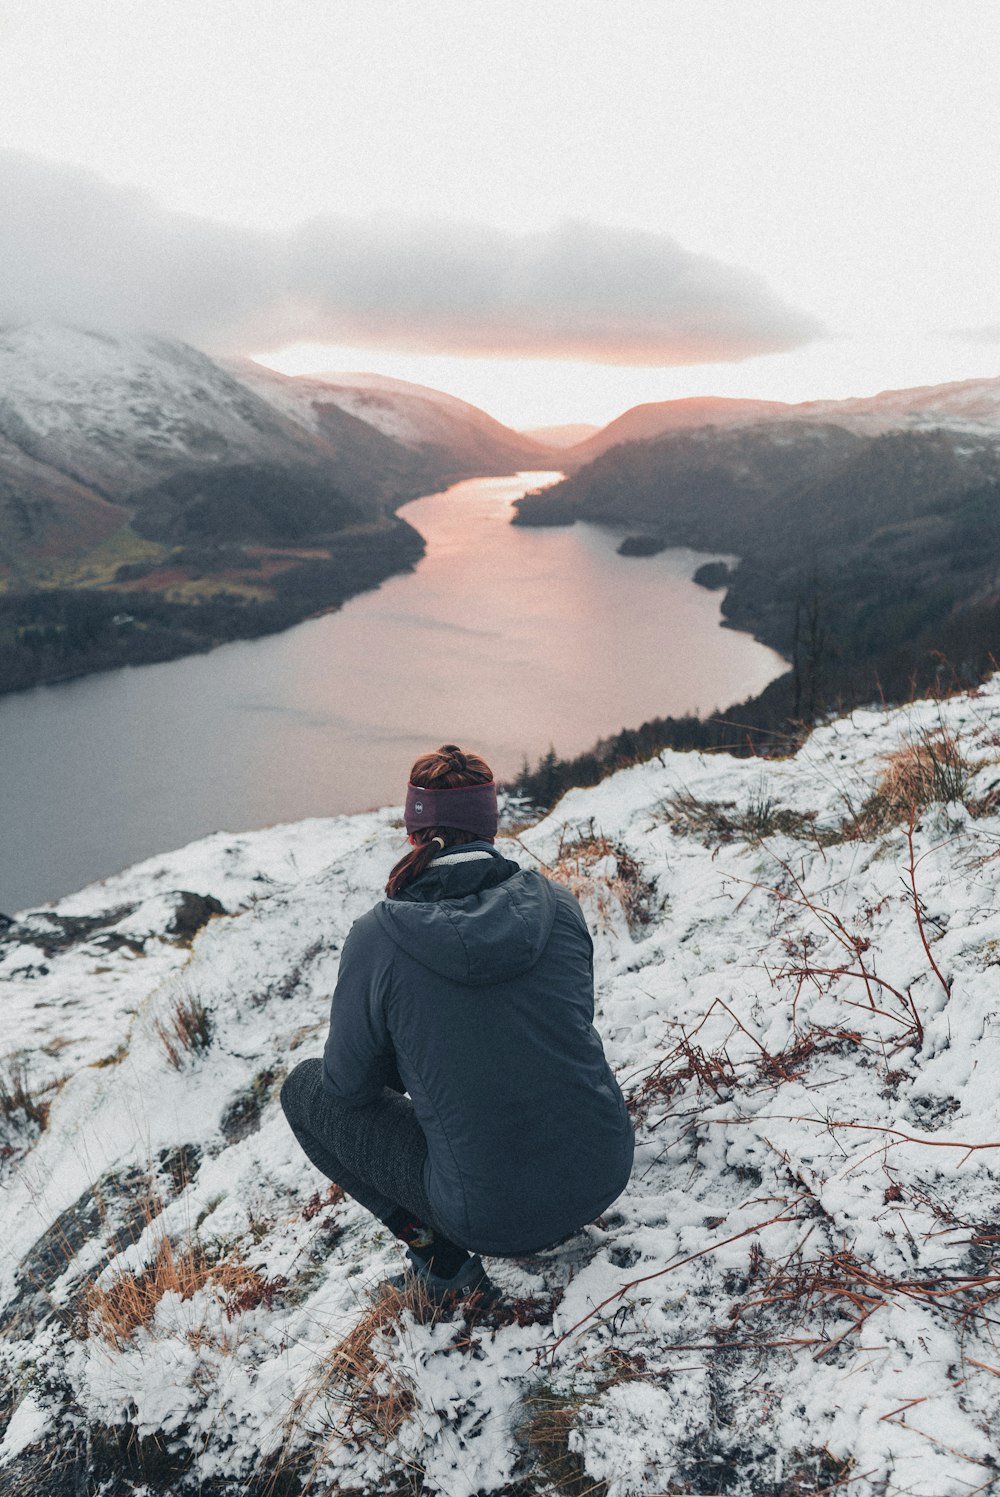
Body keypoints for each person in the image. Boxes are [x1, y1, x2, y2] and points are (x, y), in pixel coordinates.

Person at [280, 743, 634, 1304]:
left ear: (413, 831)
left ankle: (441, 1264)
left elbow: (347, 1086)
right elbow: (560, 1028)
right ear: (491, 828)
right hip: (604, 1168)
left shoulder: (380, 938)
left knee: (303, 1090)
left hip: (491, 1215)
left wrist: (412, 1059)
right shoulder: (559, 905)